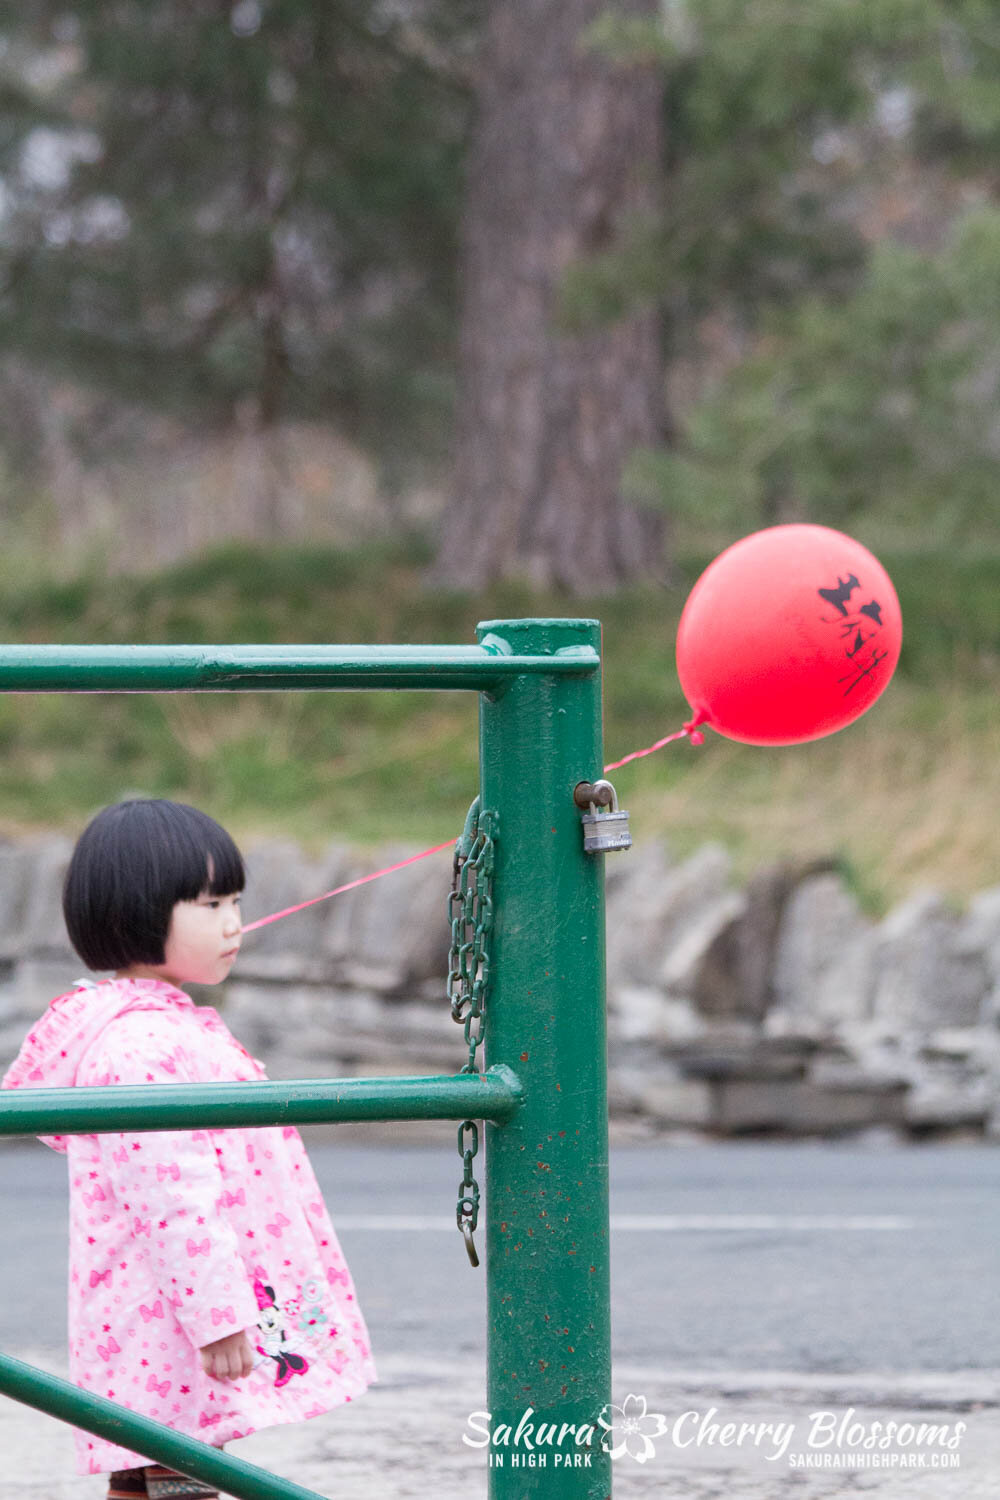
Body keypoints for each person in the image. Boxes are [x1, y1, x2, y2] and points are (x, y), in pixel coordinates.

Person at [1, 799, 378, 1499]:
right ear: (135, 910)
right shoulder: (139, 1045)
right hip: (172, 1317)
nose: (233, 922)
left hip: (160, 1315)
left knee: (150, 1470)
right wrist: (218, 1316)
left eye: (235, 900)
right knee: (179, 1468)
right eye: (209, 904)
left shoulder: (162, 1024)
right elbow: (172, 1198)